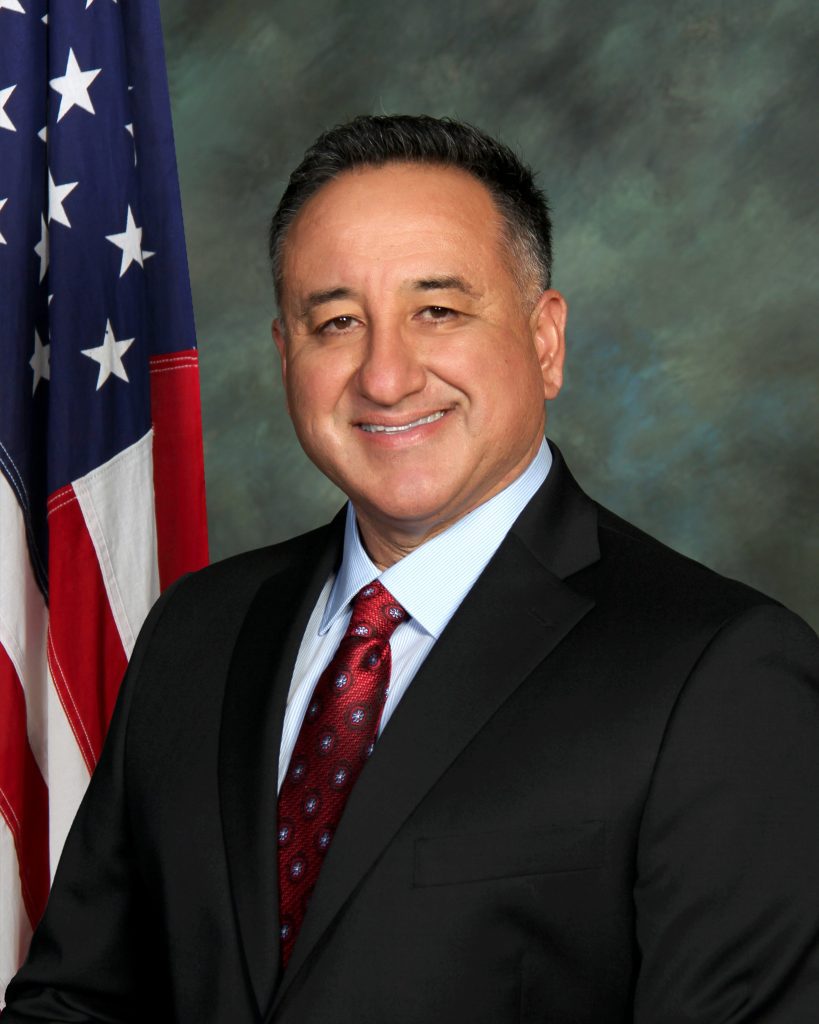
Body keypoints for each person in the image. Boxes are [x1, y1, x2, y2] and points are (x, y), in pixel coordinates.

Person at [4, 114, 819, 1023]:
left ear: (544, 340)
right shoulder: (197, 630)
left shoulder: (721, 672)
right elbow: (76, 1004)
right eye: (338, 321)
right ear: (285, 354)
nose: (385, 376)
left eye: (437, 310)